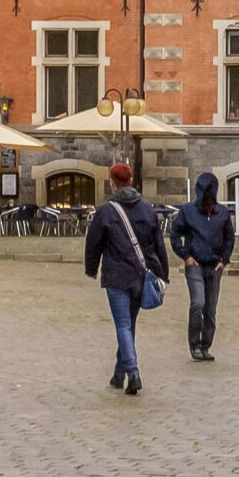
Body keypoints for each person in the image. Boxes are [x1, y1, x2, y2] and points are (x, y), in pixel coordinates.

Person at [84, 160, 167, 396]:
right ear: (131, 181)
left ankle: (133, 372)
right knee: (129, 324)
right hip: (141, 276)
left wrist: (91, 268)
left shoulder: (105, 211)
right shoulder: (147, 210)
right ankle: (119, 373)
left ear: (112, 184)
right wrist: (163, 273)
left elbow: (93, 243)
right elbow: (158, 244)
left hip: (116, 276)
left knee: (122, 325)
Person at [169, 171, 236, 362]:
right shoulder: (187, 211)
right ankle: (194, 344)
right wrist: (186, 255)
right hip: (195, 264)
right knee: (198, 302)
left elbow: (229, 238)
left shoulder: (222, 213)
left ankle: (205, 344)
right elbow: (175, 235)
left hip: (214, 265)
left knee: (211, 308)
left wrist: (224, 260)